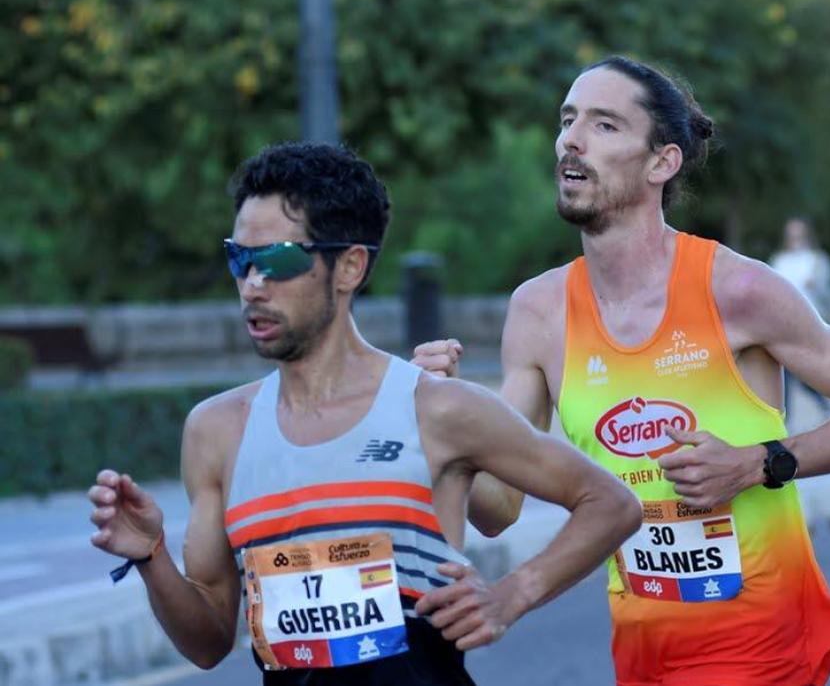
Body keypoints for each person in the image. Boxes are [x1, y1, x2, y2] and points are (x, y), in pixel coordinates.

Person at [416, 55, 830, 686]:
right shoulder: (538, 311)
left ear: (662, 162)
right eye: (568, 119)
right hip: (642, 653)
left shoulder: (736, 288)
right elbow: (499, 510)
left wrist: (760, 461)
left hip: (764, 642)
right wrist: (449, 414)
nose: (571, 139)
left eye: (604, 126)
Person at [86, 143, 641, 685]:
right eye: (240, 258)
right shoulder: (216, 431)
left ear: (349, 266)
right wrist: (151, 555)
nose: (253, 285)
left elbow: (610, 504)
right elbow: (208, 643)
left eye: (277, 259)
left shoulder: (436, 408)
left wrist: (510, 596)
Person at [769, 216, 830, 418]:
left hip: (809, 323)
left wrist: (816, 284)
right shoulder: (779, 261)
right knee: (785, 372)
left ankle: (821, 400)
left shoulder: (818, 260)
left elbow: (829, 294)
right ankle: (786, 415)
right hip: (782, 324)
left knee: (803, 370)